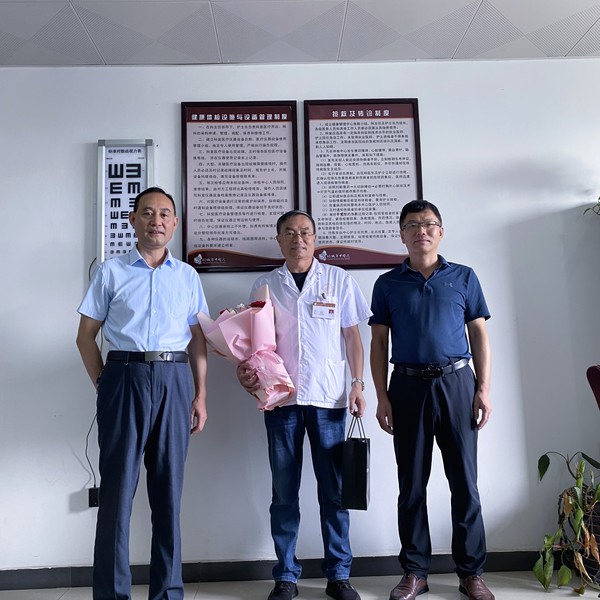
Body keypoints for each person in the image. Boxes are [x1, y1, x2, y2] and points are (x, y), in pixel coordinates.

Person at [76, 186, 209, 600]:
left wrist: (201, 395)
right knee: (116, 493)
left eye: (165, 214)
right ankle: (112, 594)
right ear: (133, 220)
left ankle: (167, 592)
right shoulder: (110, 272)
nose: (156, 220)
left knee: (168, 493)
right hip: (123, 377)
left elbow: (197, 340)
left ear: (175, 223)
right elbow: (85, 337)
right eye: (147, 213)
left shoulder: (186, 276)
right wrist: (105, 384)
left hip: (174, 379)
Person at [237, 210, 371, 600]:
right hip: (281, 399)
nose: (299, 239)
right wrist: (248, 374)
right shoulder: (265, 284)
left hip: (330, 399)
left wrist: (358, 384)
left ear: (315, 238)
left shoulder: (338, 279)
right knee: (284, 493)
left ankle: (339, 575)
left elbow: (353, 337)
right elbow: (256, 345)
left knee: (335, 491)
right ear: (279, 239)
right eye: (290, 233)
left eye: (306, 232)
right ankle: (286, 576)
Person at [369, 200, 494, 600]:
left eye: (428, 224)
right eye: (412, 225)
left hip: (457, 384)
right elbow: (378, 342)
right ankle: (415, 572)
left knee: (465, 483)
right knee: (411, 484)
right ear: (402, 234)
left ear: (441, 231)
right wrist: (381, 396)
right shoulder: (387, 284)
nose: (420, 230)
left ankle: (471, 573)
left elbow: (479, 335)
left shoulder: (464, 277)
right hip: (406, 388)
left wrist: (483, 388)